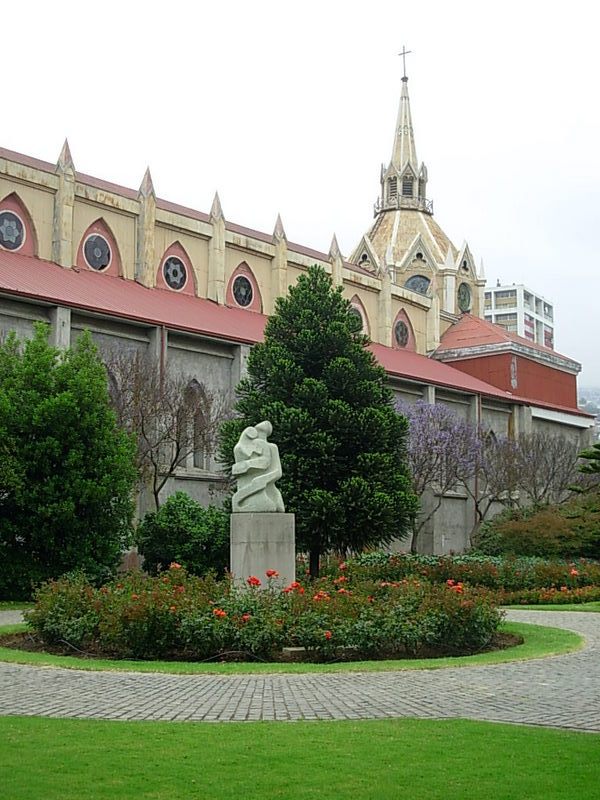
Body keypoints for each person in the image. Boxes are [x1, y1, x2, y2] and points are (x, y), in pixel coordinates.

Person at [232, 421, 285, 512]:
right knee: (267, 506)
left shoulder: (272, 447)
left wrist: (263, 479)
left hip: (266, 487)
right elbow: (238, 468)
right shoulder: (244, 447)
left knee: (276, 507)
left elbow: (278, 472)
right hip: (249, 487)